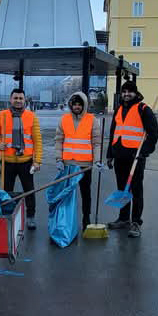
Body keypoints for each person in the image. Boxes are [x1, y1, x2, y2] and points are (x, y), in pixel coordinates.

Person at [106, 80, 158, 238]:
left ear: (135, 93)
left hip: (135, 157)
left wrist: (144, 151)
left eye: (129, 91)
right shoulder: (118, 109)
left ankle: (136, 222)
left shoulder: (143, 109)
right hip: (119, 156)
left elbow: (154, 133)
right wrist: (110, 154)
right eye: (124, 92)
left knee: (136, 190)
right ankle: (123, 218)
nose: (126, 94)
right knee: (122, 189)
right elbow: (113, 133)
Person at [0, 88, 42, 229]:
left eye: (20, 98)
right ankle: (8, 215)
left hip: (25, 161)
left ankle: (30, 217)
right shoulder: (2, 115)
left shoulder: (31, 116)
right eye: (15, 98)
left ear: (24, 100)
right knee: (6, 191)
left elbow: (37, 140)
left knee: (29, 190)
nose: (18, 101)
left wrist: (37, 161)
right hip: (7, 162)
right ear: (10, 99)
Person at [54, 91, 101, 231]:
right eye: (74, 104)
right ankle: (66, 220)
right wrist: (59, 159)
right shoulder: (64, 119)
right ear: (71, 105)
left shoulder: (92, 120)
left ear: (84, 105)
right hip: (67, 164)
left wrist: (97, 160)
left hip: (85, 165)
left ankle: (86, 217)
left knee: (86, 193)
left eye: (80, 104)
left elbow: (96, 143)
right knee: (67, 194)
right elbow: (58, 140)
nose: (77, 107)